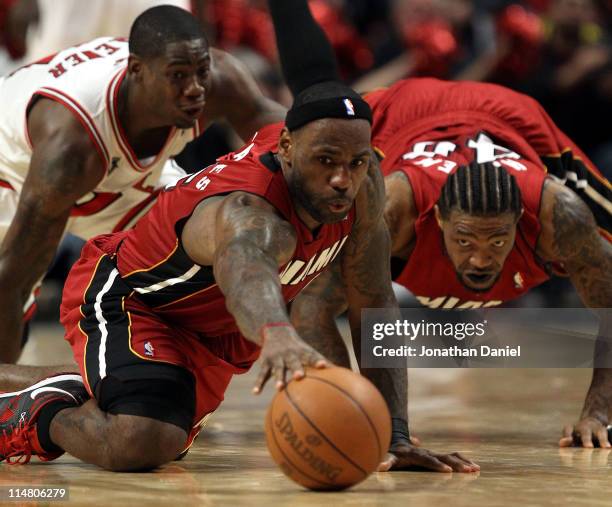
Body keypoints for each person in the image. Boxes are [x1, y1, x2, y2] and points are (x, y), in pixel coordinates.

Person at [0, 0, 479, 474]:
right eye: (326, 161)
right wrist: (276, 333)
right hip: (128, 294)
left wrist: (393, 431)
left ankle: (104, 383)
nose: (341, 179)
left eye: (355, 163)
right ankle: (31, 411)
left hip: (208, 322)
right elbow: (243, 268)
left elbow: (374, 299)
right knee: (142, 439)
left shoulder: (358, 179)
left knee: (166, 428)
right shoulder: (249, 210)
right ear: (288, 151)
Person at [290, 77, 611, 450]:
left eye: (496, 240)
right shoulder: (394, 210)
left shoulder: (561, 217)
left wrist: (599, 413)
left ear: (523, 220)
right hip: (407, 111)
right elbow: (313, 306)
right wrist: (355, 412)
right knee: (298, 160)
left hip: (513, 118)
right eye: (464, 239)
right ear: (437, 219)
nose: (479, 259)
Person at [0, 5, 285, 362]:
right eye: (179, 76)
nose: (195, 89)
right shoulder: (71, 146)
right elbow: (12, 281)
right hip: (15, 172)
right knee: (11, 292)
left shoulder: (218, 81)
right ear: (137, 72)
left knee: (211, 239)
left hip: (116, 180)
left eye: (201, 72)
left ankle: (165, 370)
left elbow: (289, 141)